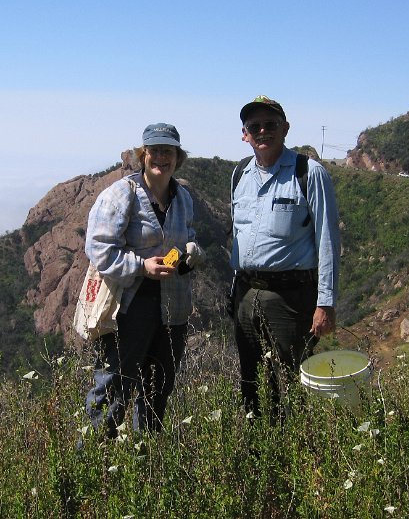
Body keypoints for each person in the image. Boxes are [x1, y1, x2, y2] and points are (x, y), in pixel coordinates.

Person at [83, 123, 204, 438]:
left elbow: (188, 235)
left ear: (178, 157)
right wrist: (141, 266)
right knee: (113, 390)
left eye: (168, 151)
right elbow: (98, 249)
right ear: (143, 154)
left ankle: (145, 458)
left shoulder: (182, 197)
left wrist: (192, 251)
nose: (161, 157)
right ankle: (94, 459)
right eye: (155, 150)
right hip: (129, 309)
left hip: (172, 310)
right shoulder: (122, 194)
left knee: (156, 390)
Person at [229, 95, 341, 418]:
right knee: (251, 382)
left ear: (285, 128)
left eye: (270, 124)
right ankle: (258, 444)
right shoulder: (239, 175)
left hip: (291, 298)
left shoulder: (309, 173)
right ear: (245, 134)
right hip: (245, 294)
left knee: (293, 383)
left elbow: (328, 241)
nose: (262, 131)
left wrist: (325, 303)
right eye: (255, 126)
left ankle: (297, 444)